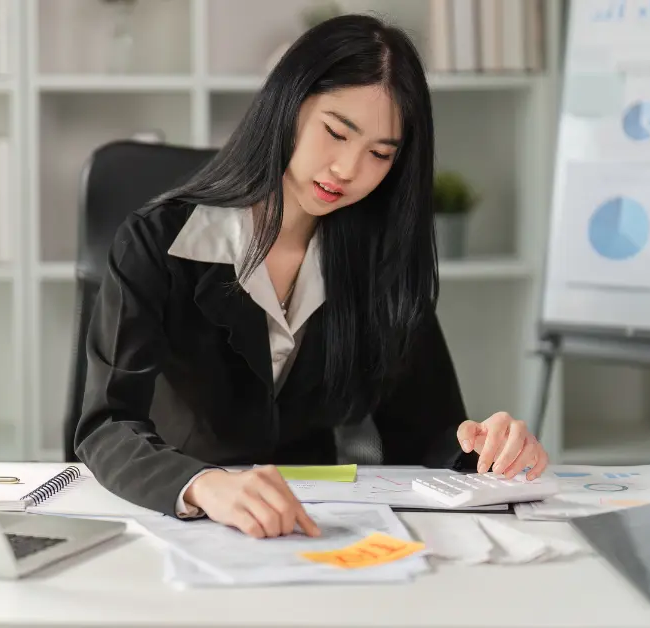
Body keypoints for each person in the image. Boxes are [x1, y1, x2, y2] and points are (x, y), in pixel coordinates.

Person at [73, 13, 549, 539]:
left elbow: (428, 438)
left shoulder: (380, 257)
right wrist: (202, 486)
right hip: (184, 522)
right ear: (288, 105)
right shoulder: (157, 241)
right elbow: (107, 425)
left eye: (379, 154)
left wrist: (484, 448)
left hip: (323, 528)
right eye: (335, 132)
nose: (347, 169)